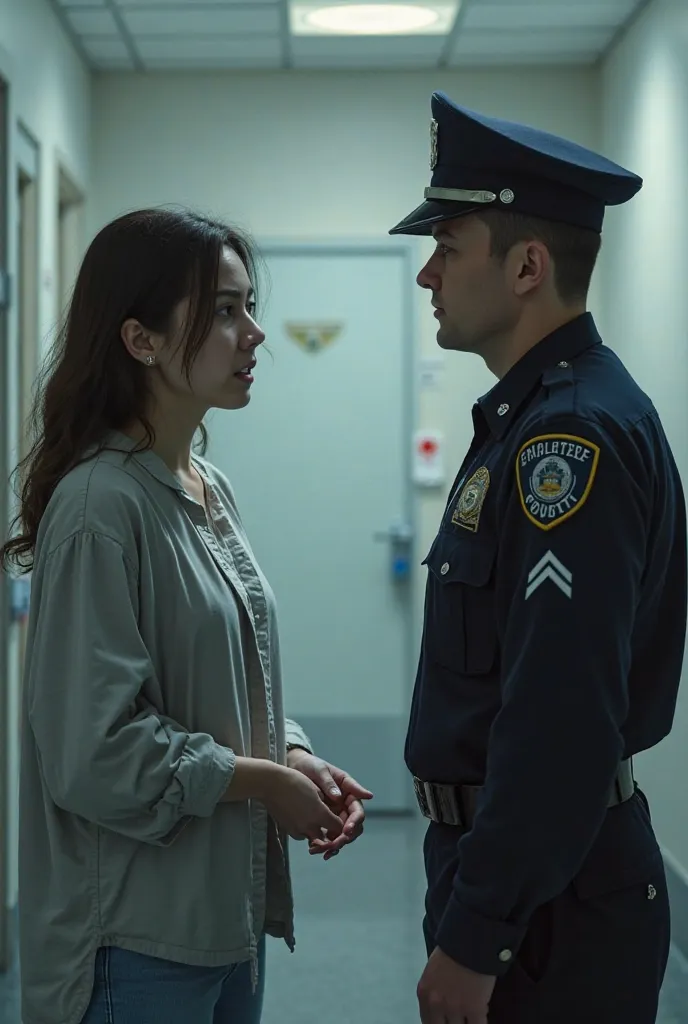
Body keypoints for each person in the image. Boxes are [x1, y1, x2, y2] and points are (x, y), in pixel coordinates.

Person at [2, 208, 373, 1024]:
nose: (255, 334)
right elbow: (95, 753)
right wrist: (262, 781)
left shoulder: (207, 485)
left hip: (222, 922)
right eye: (225, 312)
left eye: (249, 307)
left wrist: (292, 755)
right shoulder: (101, 504)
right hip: (131, 943)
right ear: (140, 340)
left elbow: (221, 678)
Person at [389, 92, 687, 1024]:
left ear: (526, 266)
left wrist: (480, 933)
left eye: (449, 246)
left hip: (550, 911)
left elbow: (560, 712)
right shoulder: (528, 420)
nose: (427, 274)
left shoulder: (572, 439)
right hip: (530, 880)